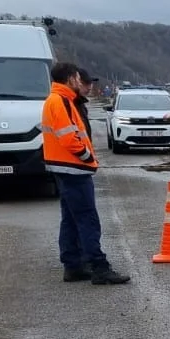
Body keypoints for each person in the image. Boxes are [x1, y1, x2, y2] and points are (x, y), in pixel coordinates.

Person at [41, 63, 130, 285]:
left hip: (64, 167)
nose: (81, 82)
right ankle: (99, 267)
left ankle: (73, 265)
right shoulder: (61, 101)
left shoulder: (60, 99)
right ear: (71, 78)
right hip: (73, 168)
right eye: (78, 78)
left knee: (71, 219)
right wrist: (87, 157)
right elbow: (69, 137)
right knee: (87, 219)